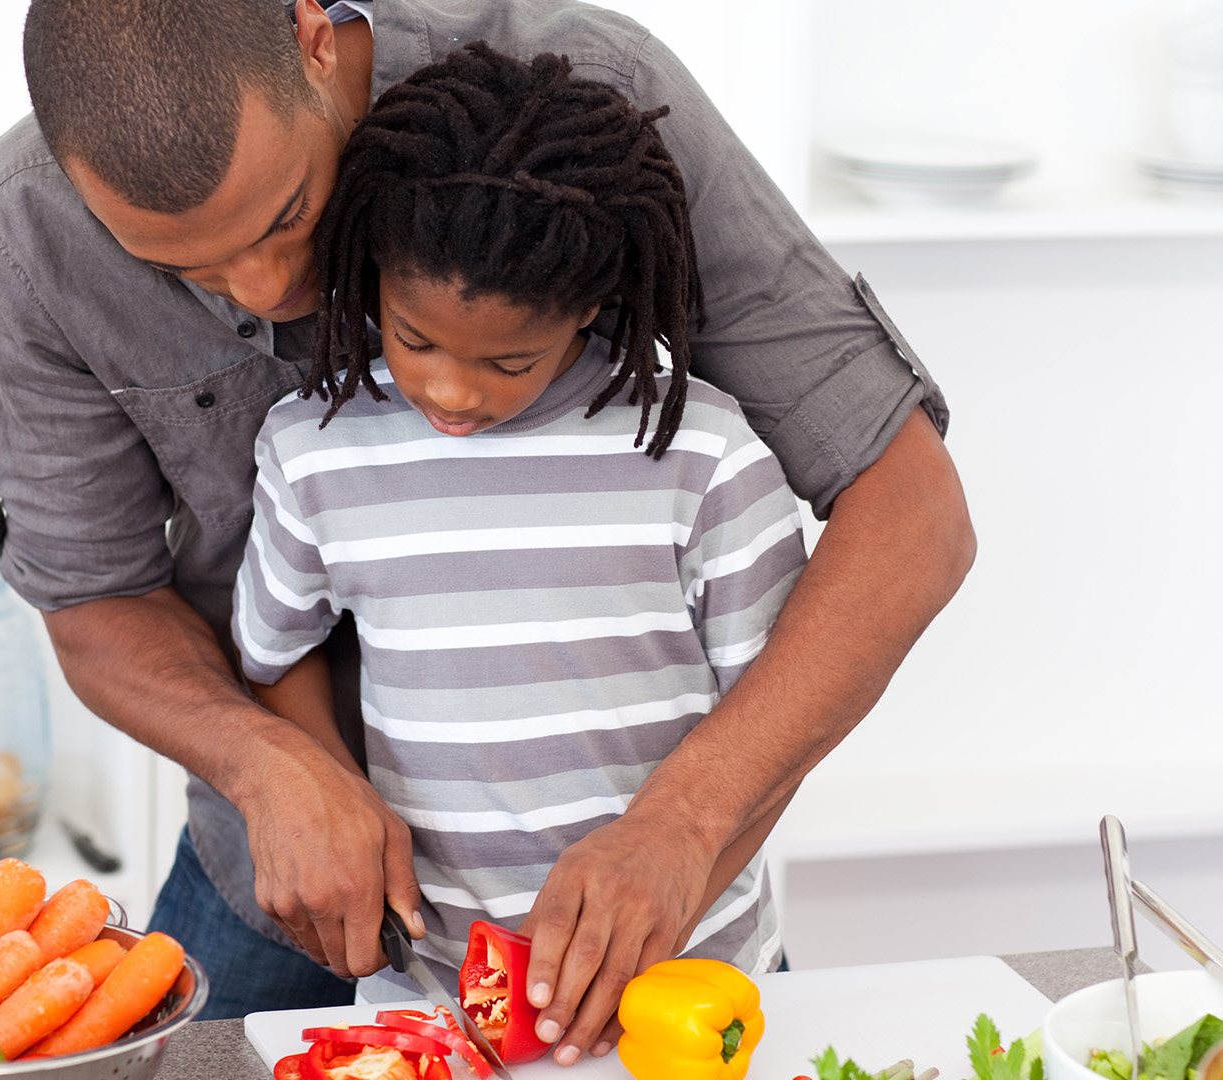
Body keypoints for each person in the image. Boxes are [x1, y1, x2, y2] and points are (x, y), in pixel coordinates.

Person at [0, 0, 973, 1059]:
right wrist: (269, 766)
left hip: (643, 912)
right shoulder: (31, 225)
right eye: (186, 271)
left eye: (285, 214)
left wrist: (683, 829)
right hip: (271, 875)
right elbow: (94, 601)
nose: (268, 290)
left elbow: (912, 509)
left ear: (315, 39)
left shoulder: (586, 88)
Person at [234, 41, 806, 1003]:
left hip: (692, 985)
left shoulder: (702, 456)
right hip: (438, 995)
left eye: (510, 362)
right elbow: (272, 651)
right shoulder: (316, 450)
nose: (451, 392)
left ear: (589, 306)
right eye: (415, 340)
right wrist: (336, 794)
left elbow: (782, 723)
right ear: (369, 268)